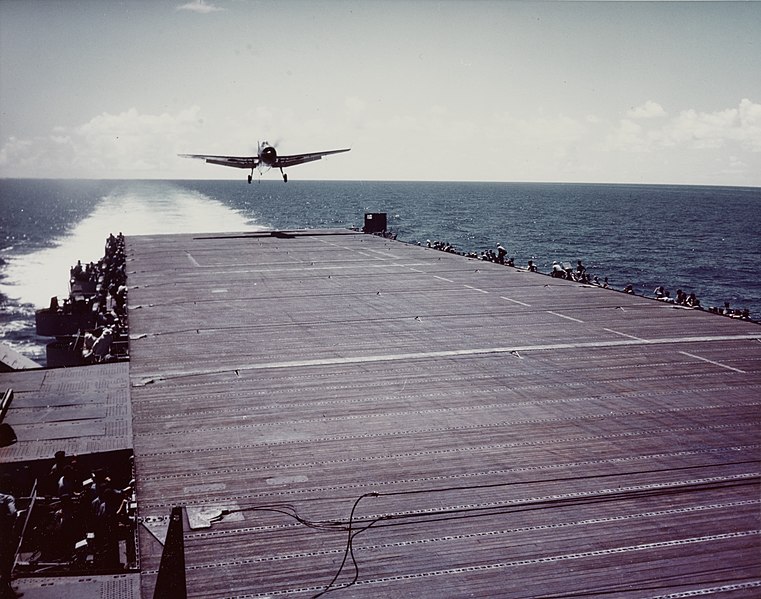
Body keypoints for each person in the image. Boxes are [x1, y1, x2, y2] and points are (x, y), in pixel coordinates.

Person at [0, 477, 22, 598]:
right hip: (5, 535)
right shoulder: (7, 498)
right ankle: (7, 590)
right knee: (6, 562)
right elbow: (13, 513)